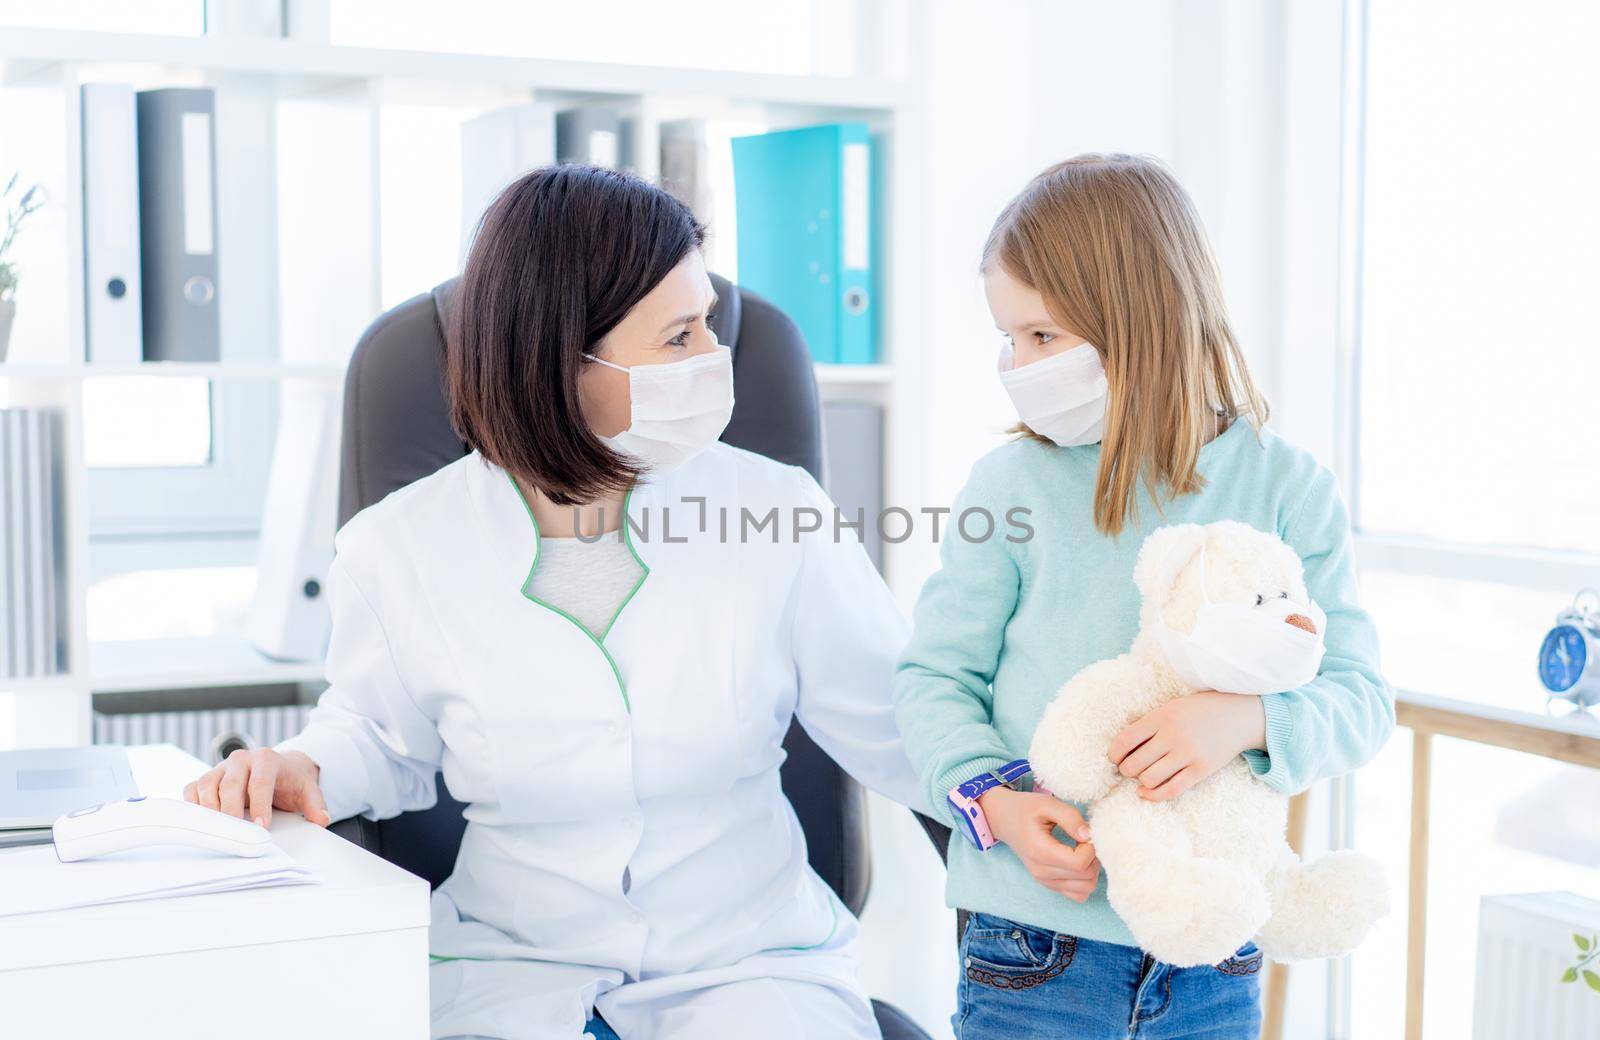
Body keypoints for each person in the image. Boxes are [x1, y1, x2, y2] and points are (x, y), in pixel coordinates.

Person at [184, 164, 926, 1040]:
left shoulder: (778, 512)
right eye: (679, 337)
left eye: (709, 329)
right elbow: (380, 740)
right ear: (559, 358)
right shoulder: (399, 546)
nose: (714, 362)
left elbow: (903, 720)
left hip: (752, 965)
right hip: (512, 967)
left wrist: (1043, 784)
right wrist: (300, 767)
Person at [891, 153, 1394, 1039]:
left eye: (1042, 336)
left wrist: (1244, 721)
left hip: (1218, 951)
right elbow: (935, 680)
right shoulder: (1010, 486)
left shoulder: (1290, 488)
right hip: (1033, 947)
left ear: (1139, 317)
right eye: (1009, 339)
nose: (1018, 364)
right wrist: (998, 799)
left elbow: (1358, 696)